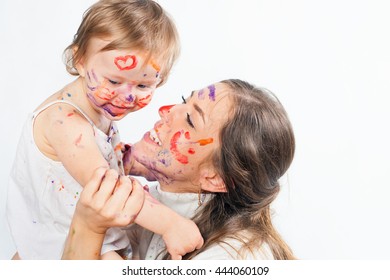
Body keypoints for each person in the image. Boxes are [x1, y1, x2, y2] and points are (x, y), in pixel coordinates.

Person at [6, 0, 203, 260]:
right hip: (61, 241)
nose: (127, 97)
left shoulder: (98, 109)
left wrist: (129, 160)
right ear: (80, 60)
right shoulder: (64, 122)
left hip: (90, 229)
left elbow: (99, 158)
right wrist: (171, 224)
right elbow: (110, 190)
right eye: (114, 81)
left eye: (143, 86)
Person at [62, 79, 296, 260]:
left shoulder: (231, 260)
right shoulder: (149, 207)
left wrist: (88, 226)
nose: (166, 111)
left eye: (191, 121)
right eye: (185, 100)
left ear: (214, 178)